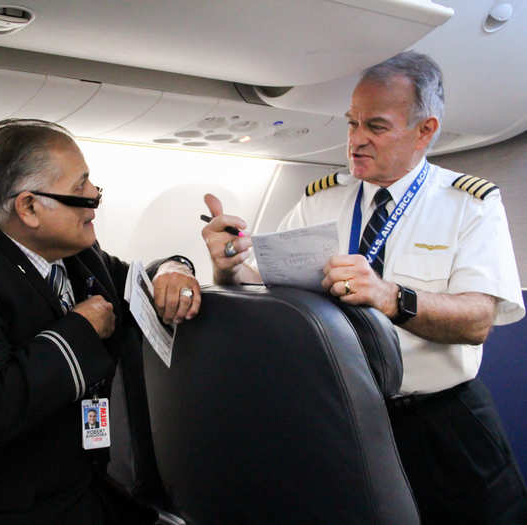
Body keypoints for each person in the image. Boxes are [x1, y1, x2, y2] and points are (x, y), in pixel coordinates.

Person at [201, 51, 527, 524]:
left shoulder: (469, 204)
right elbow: (272, 291)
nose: (355, 141)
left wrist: (389, 296)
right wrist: (230, 270)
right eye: (351, 124)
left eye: (375, 127)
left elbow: (478, 319)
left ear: (425, 131)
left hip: (439, 422)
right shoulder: (319, 201)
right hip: (340, 417)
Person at [0, 119, 201, 524]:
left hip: (68, 495)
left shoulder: (78, 255)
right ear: (28, 207)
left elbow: (135, 285)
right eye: (81, 188)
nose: (95, 196)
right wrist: (81, 330)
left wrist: (174, 269)